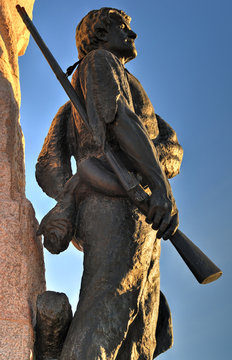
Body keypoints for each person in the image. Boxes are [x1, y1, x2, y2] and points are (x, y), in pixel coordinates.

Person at [36, 7, 183, 359]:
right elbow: (117, 120)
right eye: (122, 27)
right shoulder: (99, 62)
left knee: (140, 329)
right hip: (116, 208)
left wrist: (151, 180)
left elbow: (170, 147)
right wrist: (84, 190)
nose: (132, 36)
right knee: (108, 311)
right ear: (99, 35)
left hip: (141, 211)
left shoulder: (122, 80)